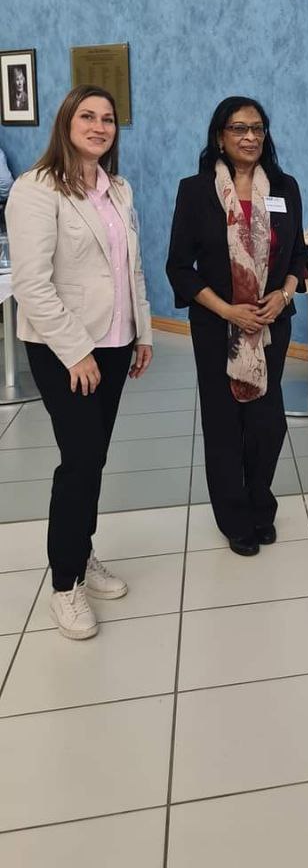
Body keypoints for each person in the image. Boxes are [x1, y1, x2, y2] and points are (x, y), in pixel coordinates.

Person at [5, 87, 153, 640]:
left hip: (114, 343)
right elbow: (32, 286)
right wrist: (76, 352)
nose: (99, 126)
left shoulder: (117, 188)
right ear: (66, 123)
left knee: (94, 456)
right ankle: (65, 583)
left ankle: (82, 552)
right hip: (62, 349)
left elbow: (130, 268)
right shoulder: (36, 189)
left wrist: (142, 332)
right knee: (80, 460)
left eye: (108, 119)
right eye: (87, 116)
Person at [166, 97, 308, 556]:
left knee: (267, 425)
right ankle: (234, 517)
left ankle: (260, 505)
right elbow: (179, 268)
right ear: (219, 137)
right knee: (225, 424)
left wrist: (284, 294)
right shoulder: (195, 191)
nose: (250, 137)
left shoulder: (284, 187)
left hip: (270, 325)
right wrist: (229, 311)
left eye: (258, 128)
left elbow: (299, 255)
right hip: (217, 328)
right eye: (239, 128)